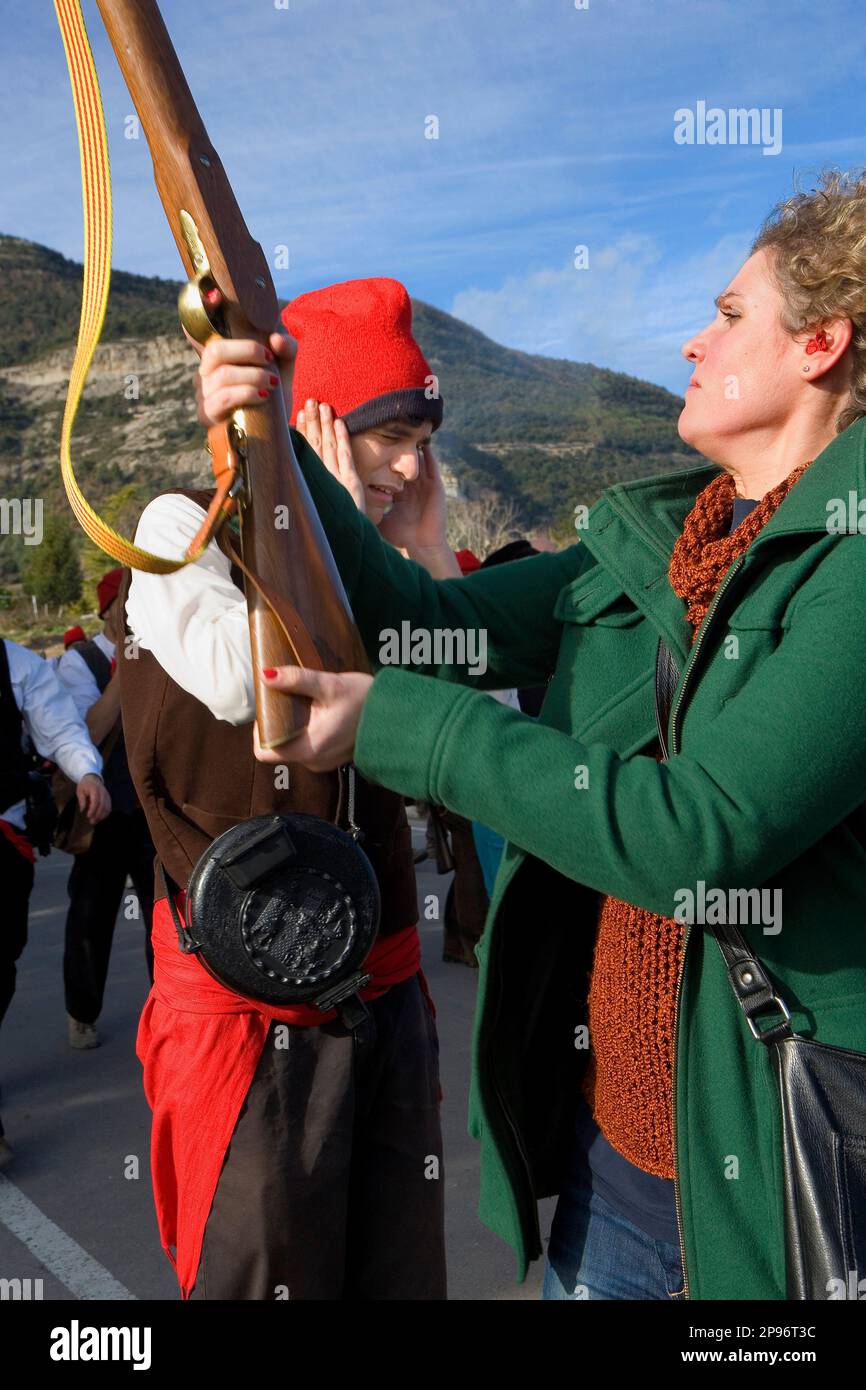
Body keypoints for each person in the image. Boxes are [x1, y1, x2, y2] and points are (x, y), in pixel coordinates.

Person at [197, 166, 866, 1300]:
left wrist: (409, 731)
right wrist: (266, 443)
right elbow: (421, 627)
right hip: (614, 1171)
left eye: (728, 313)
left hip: (776, 1185)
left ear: (820, 345)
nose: (694, 344)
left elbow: (701, 837)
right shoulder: (659, 543)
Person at [120, 276, 447, 1300]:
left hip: (382, 1000)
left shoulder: (397, 569)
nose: (409, 464)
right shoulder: (181, 521)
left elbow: (484, 740)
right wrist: (330, 536)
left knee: (398, 1277)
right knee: (260, 1278)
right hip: (247, 1025)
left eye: (423, 437)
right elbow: (252, 690)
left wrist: (428, 567)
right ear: (311, 426)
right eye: (386, 432)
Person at [0, 636, 110, 1163]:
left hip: (3, 837)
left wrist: (86, 771)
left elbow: (61, 727)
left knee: (3, 965)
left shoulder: (17, 665)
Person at [57, 568, 156, 1048]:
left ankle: (168, 1009)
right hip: (101, 814)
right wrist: (126, 669)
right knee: (91, 917)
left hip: (150, 808)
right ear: (109, 611)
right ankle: (82, 1011)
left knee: (167, 916)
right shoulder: (80, 663)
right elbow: (88, 732)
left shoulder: (157, 651)